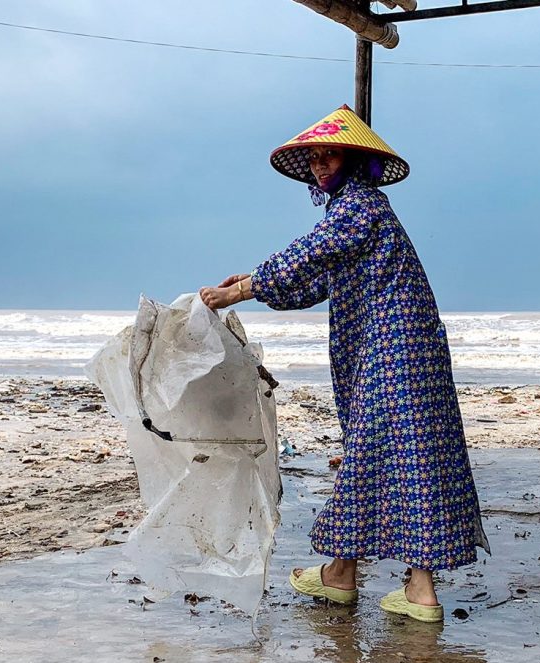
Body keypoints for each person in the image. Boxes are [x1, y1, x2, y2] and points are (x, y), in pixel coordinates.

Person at [198, 105, 489, 624]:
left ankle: (344, 575)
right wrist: (254, 282)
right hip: (397, 347)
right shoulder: (352, 216)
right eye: (313, 158)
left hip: (393, 347)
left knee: (374, 453)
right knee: (406, 458)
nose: (320, 165)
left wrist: (241, 291)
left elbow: (306, 254)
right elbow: (312, 281)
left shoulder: (361, 207)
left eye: (329, 154)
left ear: (354, 161)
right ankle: (408, 587)